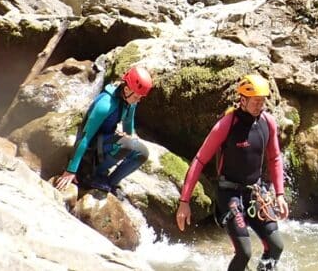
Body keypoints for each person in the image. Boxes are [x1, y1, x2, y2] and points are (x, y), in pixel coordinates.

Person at [175, 73, 288, 271]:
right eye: (255, 101)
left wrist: (280, 194)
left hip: (255, 192)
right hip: (229, 194)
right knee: (244, 252)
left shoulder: (267, 122)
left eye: (262, 101)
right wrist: (184, 202)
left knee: (276, 246)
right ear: (243, 100)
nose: (259, 105)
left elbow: (275, 158)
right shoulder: (226, 124)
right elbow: (199, 160)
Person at [54, 65, 153, 195]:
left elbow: (128, 122)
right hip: (91, 147)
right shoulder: (105, 104)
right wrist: (71, 170)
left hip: (105, 141)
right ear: (127, 89)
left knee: (142, 153)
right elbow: (85, 137)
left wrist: (129, 137)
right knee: (126, 145)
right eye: (136, 97)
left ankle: (110, 182)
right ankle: (90, 175)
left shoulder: (130, 101)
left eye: (140, 98)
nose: (138, 101)